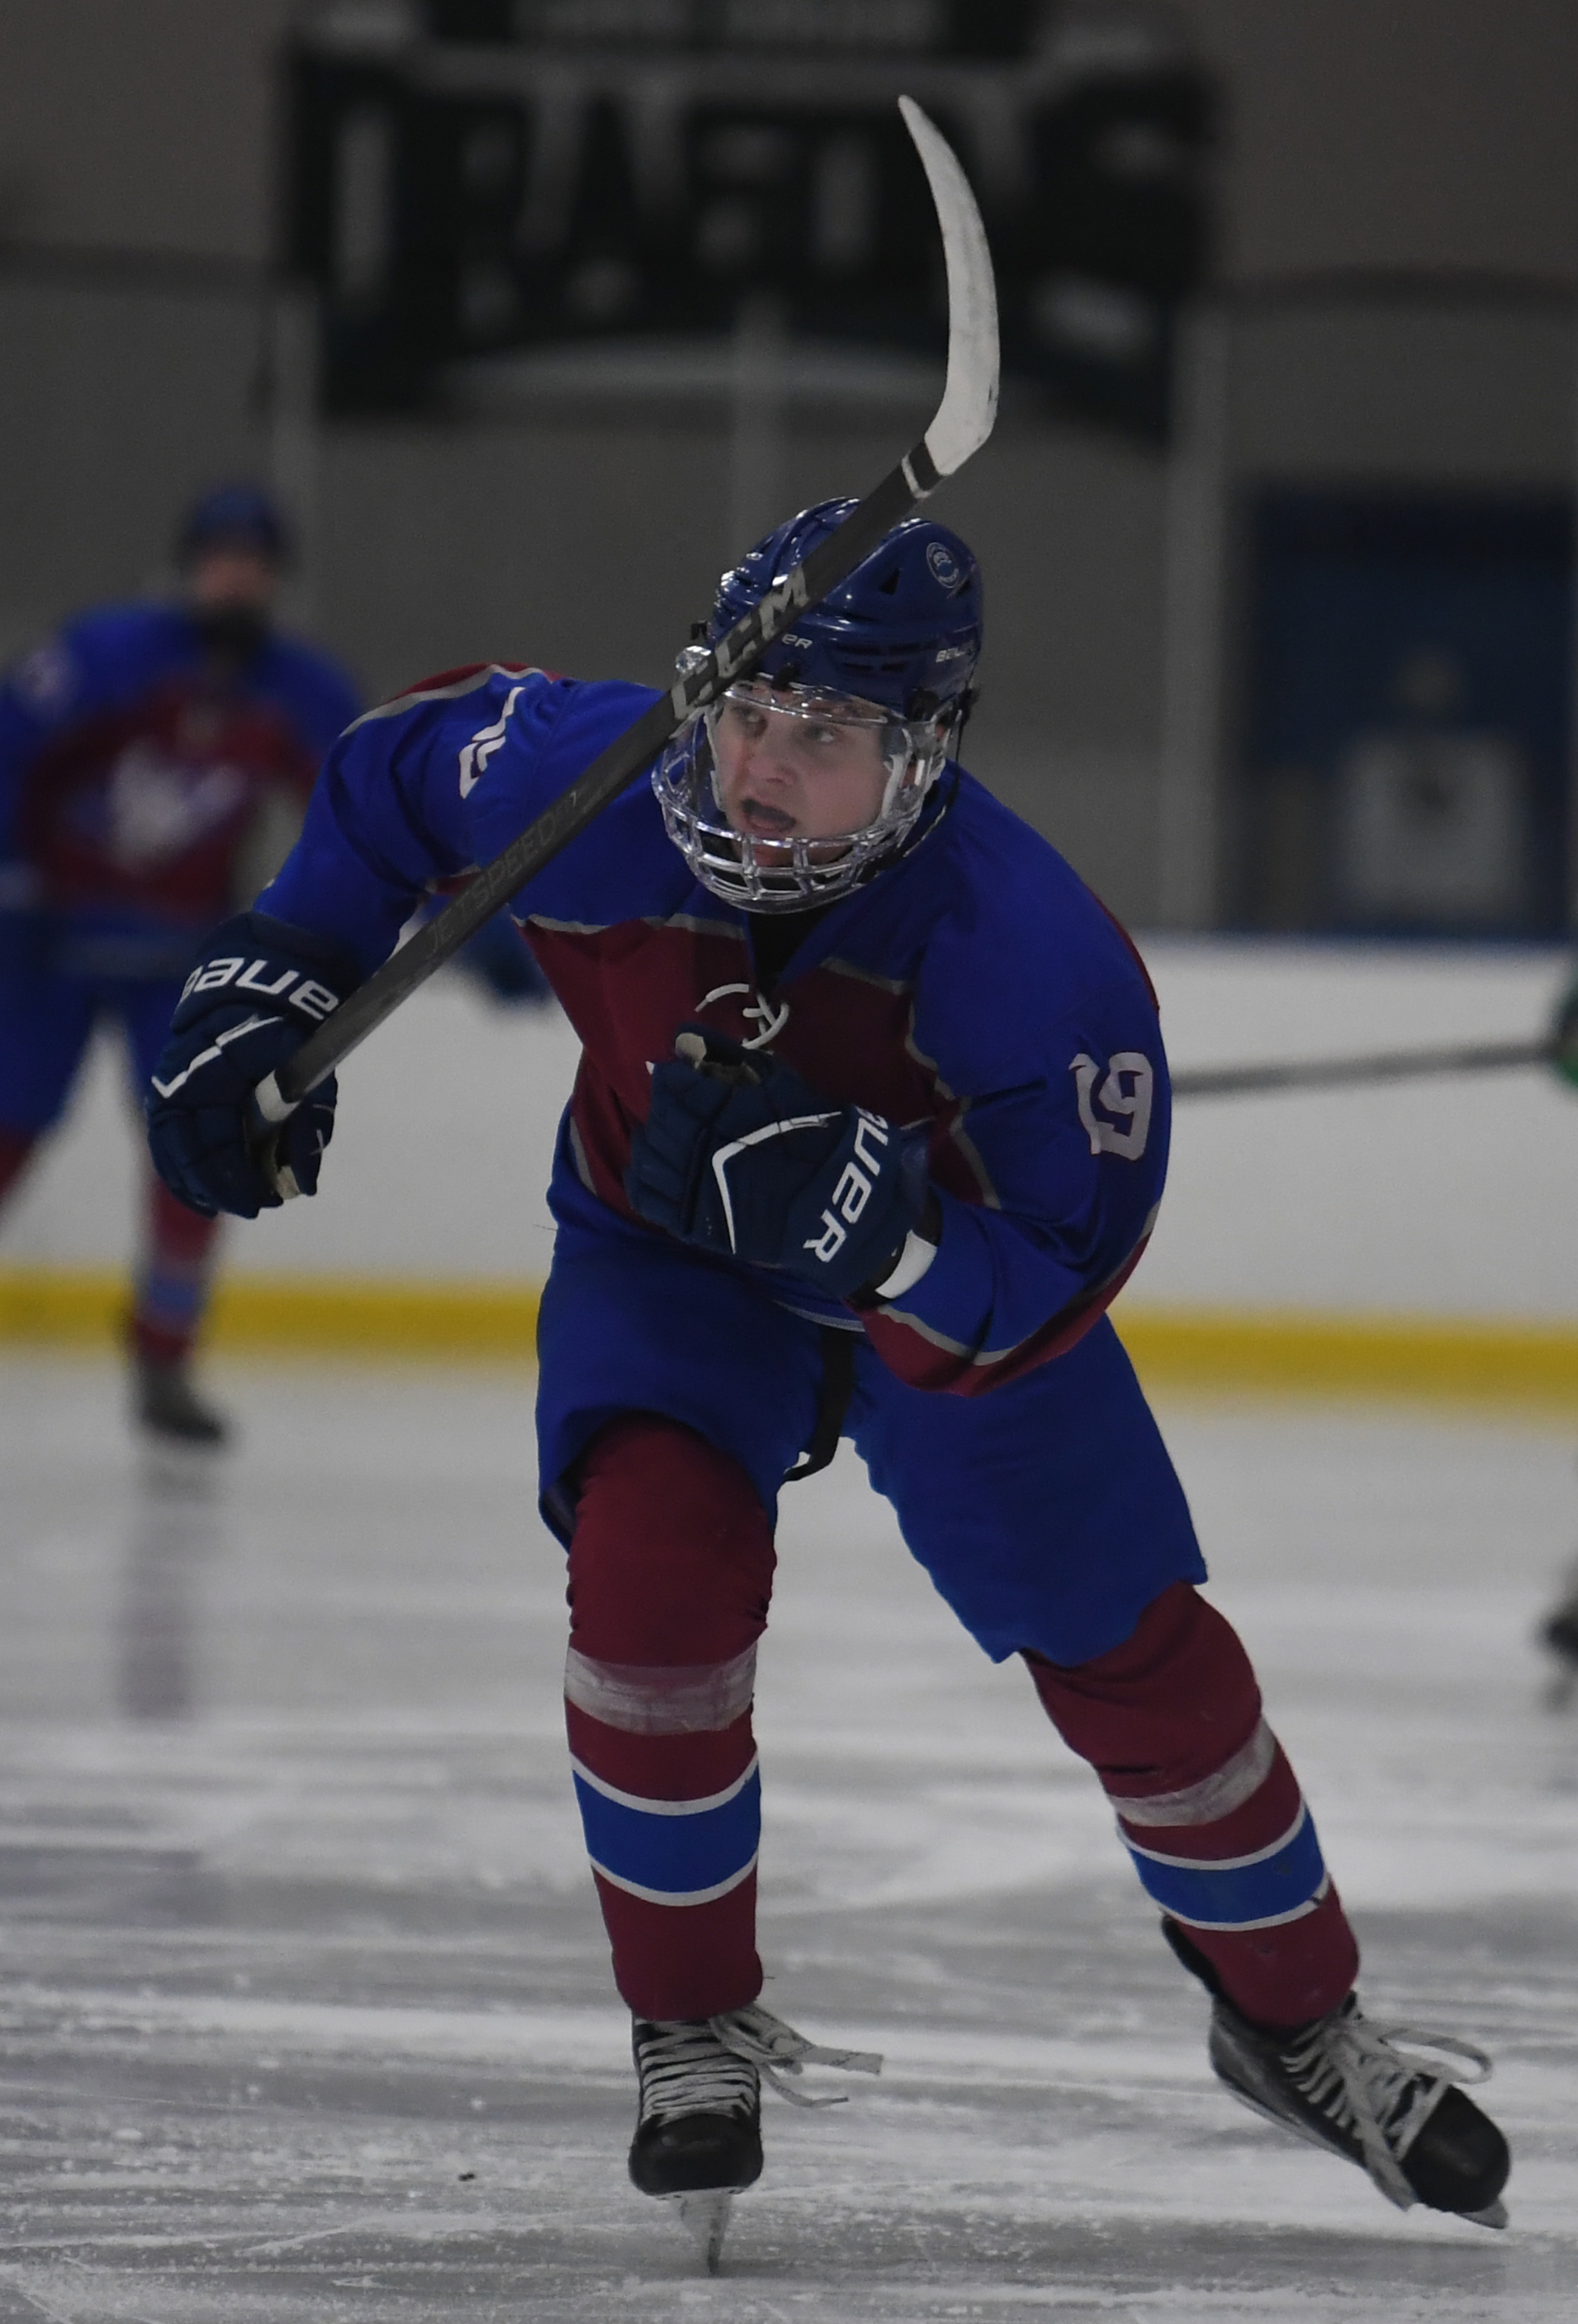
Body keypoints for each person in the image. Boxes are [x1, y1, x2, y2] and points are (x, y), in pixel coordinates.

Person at [143, 502, 1510, 2252]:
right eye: (748, 709)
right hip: (667, 1254)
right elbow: (386, 787)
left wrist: (892, 1242)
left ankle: (1300, 2022)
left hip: (950, 1309)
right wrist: (274, 978)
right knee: (646, 1591)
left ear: (924, 755)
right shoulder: (587, 773)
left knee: (1143, 1668)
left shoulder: (1039, 968)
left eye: (831, 735)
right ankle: (688, 2020)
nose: (765, 770)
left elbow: (1057, 1282)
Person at [0, 483, 361, 1443]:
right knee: (8, 1128)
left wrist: (475, 916)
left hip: (178, 958)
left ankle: (163, 1355)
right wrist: (12, 877)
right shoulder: (104, 654)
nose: (235, 577)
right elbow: (7, 747)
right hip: (51, 944)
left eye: (253, 563)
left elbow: (373, 810)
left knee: (200, 1145)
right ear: (189, 566)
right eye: (220, 557)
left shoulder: (296, 688)